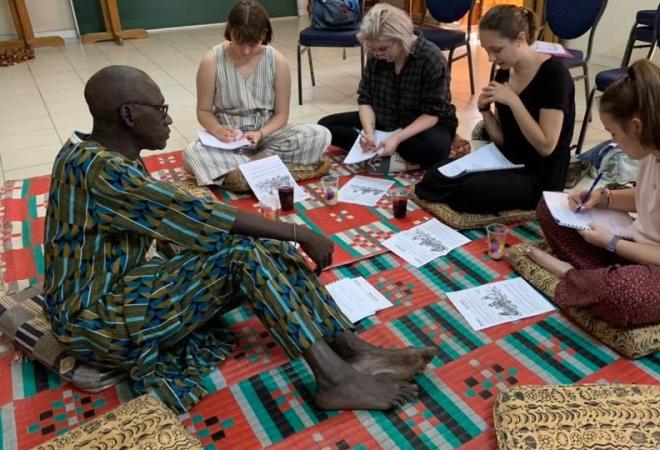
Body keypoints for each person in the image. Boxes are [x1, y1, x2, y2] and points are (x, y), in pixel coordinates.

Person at [43, 65, 437, 413]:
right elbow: (197, 214)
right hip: (95, 322)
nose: (167, 119)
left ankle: (350, 348)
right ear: (128, 115)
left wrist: (276, 240)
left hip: (120, 289)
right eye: (160, 109)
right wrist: (299, 232)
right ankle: (335, 380)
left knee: (256, 244)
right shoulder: (102, 171)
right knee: (243, 253)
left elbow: (173, 221)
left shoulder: (98, 153)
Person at [528, 59, 660, 328]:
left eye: (613, 133)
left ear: (637, 126)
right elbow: (650, 197)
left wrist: (611, 243)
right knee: (550, 209)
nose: (613, 141)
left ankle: (575, 276)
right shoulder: (658, 147)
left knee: (625, 293)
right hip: (647, 251)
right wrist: (603, 198)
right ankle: (597, 280)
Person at [415, 5, 575, 213]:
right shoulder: (503, 74)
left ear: (521, 39)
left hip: (540, 174)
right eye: (486, 50)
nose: (491, 58)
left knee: (472, 190)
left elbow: (546, 147)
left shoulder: (554, 75)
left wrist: (514, 102)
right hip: (506, 160)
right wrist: (485, 111)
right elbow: (503, 139)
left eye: (496, 50)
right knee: (436, 174)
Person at [183, 0, 330, 189]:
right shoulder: (212, 60)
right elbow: (203, 111)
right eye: (239, 42)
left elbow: (281, 115)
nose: (245, 50)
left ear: (264, 34)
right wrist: (218, 130)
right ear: (230, 32)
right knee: (191, 152)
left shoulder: (276, 60)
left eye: (253, 43)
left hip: (267, 135)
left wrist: (261, 134)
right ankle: (263, 168)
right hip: (229, 140)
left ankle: (241, 171)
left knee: (319, 134)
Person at [317, 4, 458, 169]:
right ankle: (383, 149)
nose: (378, 54)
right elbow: (365, 99)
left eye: (383, 49)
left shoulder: (431, 57)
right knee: (324, 126)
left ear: (400, 37)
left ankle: (387, 150)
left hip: (420, 124)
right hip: (384, 118)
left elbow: (432, 115)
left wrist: (397, 138)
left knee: (435, 149)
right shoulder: (376, 53)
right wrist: (369, 133)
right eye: (373, 49)